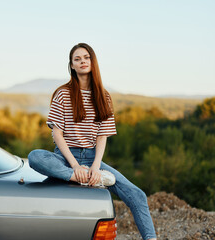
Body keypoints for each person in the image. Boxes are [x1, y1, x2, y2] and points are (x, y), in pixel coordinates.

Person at [28, 43, 157, 240]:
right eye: (77, 59)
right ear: (71, 65)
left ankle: (151, 238)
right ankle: (80, 177)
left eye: (86, 58)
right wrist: (74, 167)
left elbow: (102, 136)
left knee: (137, 195)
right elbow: (57, 134)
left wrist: (95, 167)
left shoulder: (103, 96)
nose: (82, 62)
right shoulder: (62, 93)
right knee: (35, 157)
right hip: (65, 157)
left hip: (92, 158)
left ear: (92, 61)